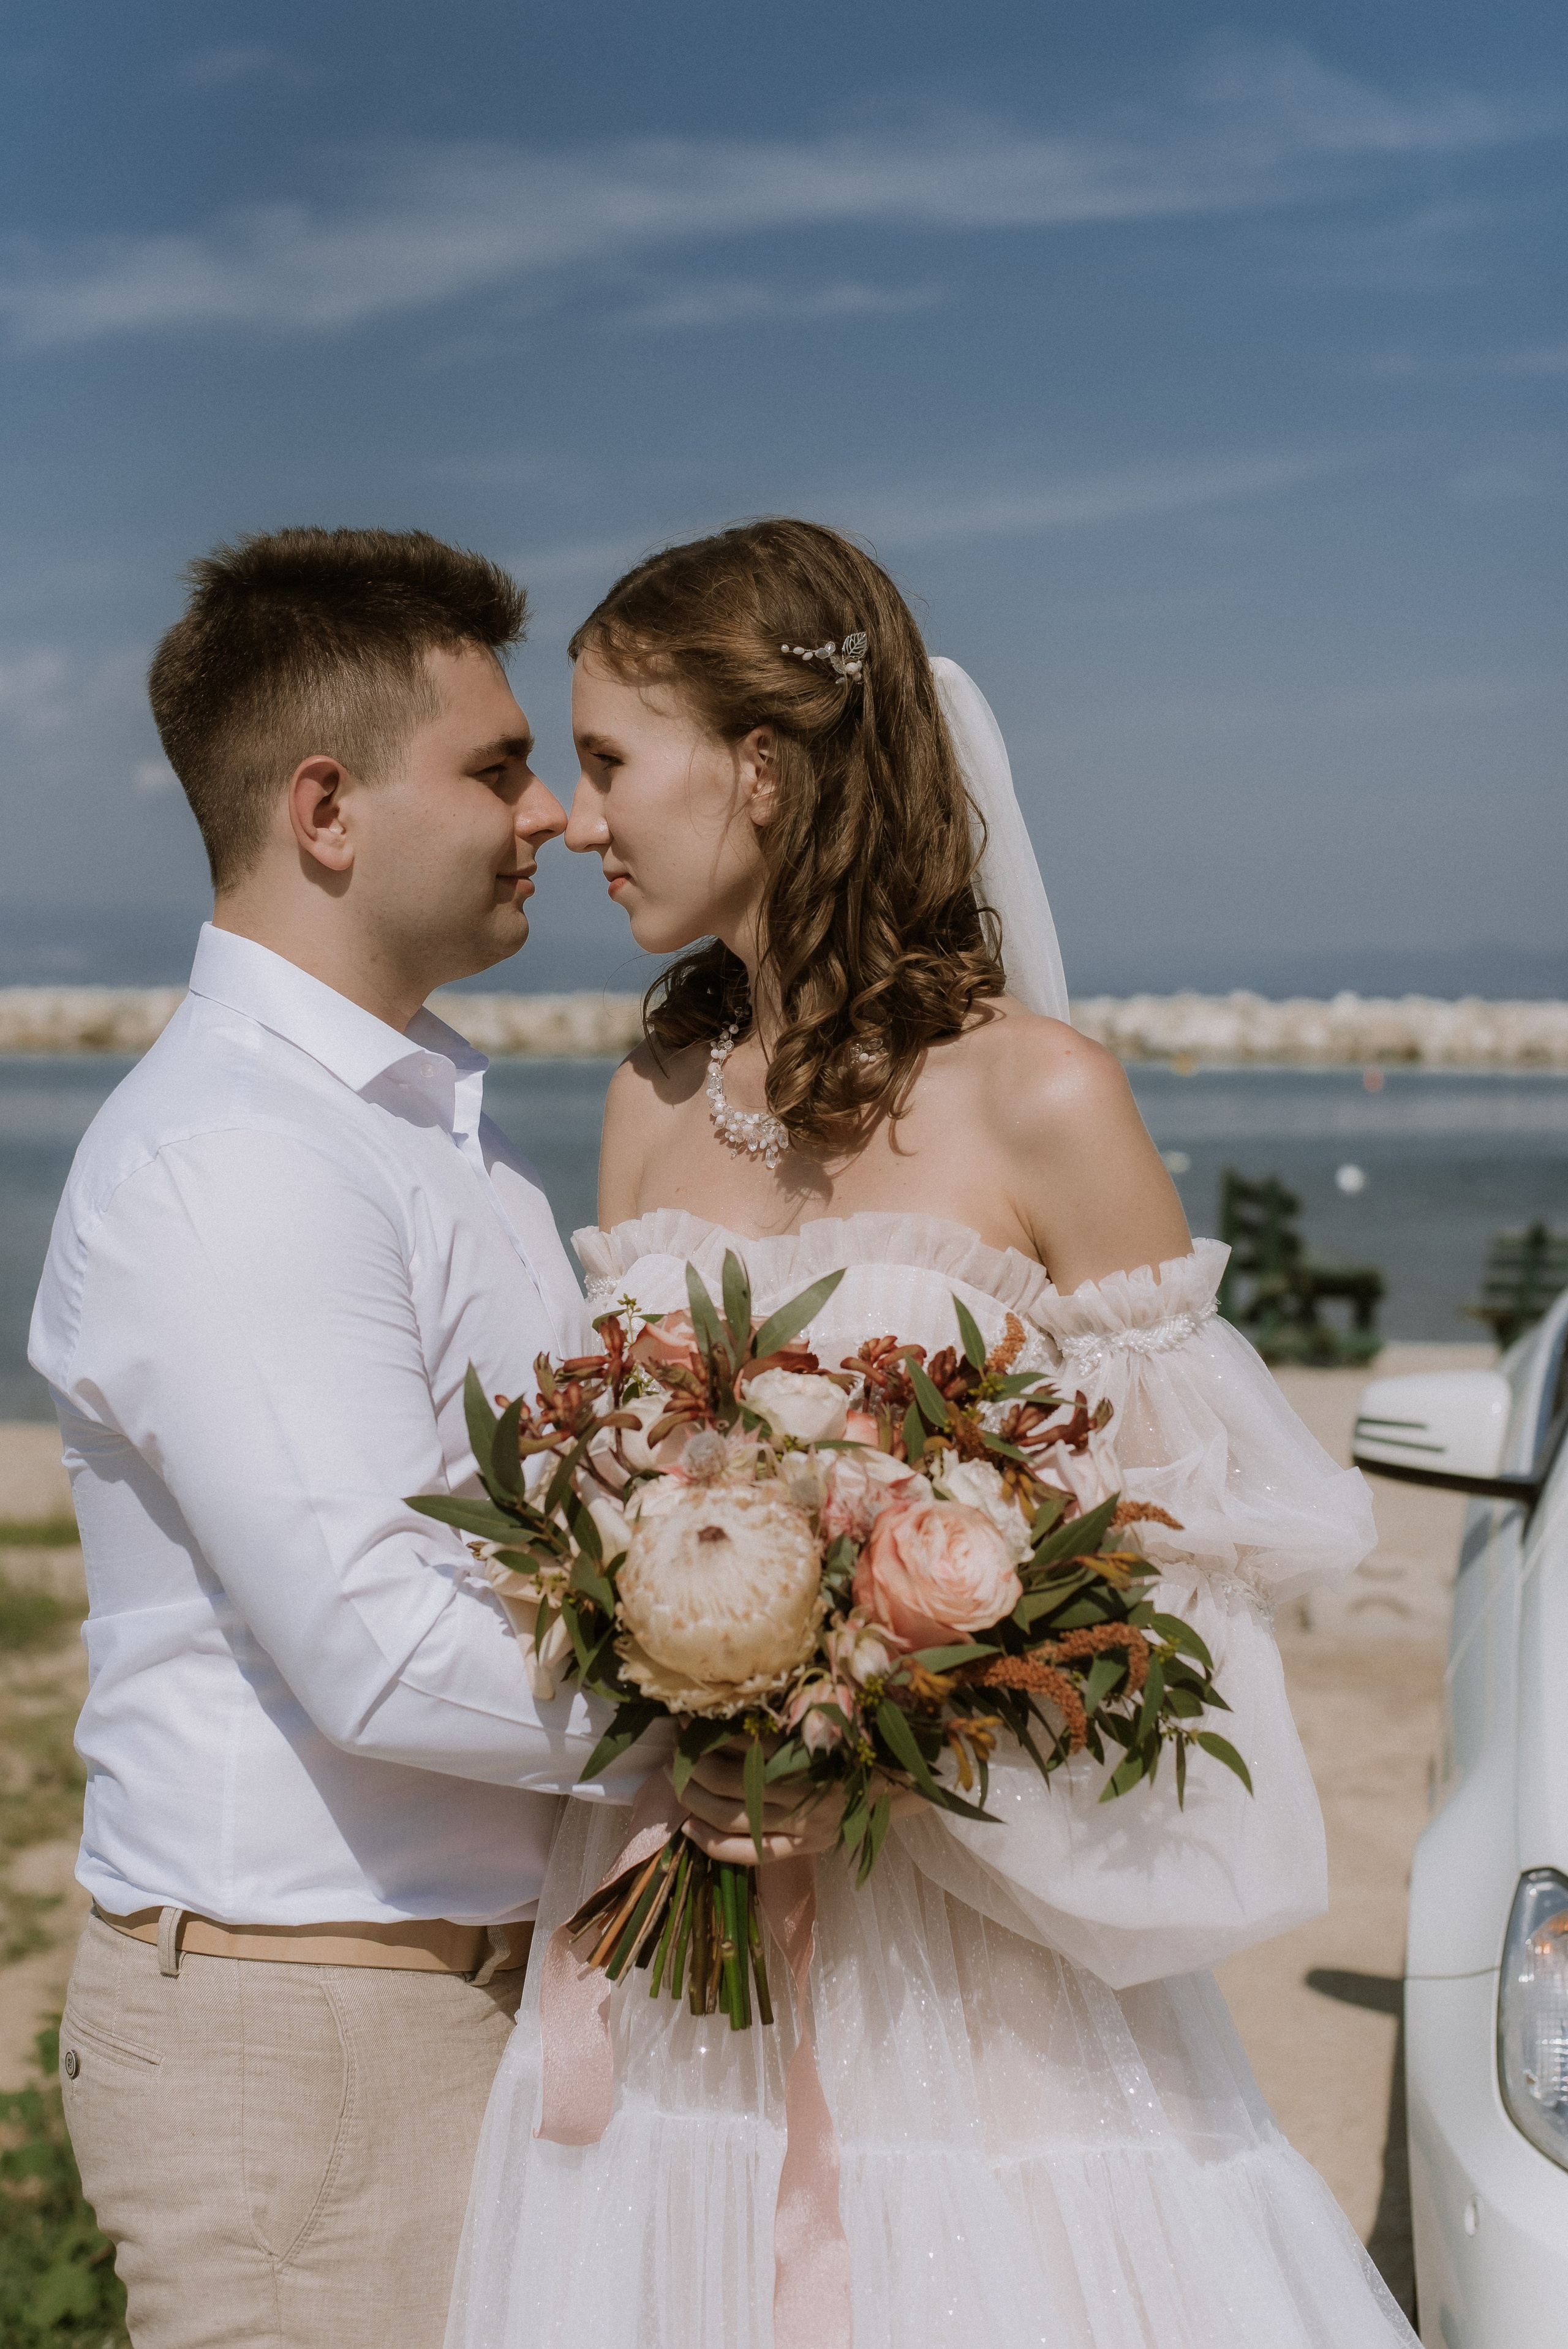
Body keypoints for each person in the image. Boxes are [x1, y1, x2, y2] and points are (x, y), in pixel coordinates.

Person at [445, 519, 1420, 2347]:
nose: (578, 821)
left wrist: (883, 1740)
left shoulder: (1045, 1098)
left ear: (758, 764)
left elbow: (1183, 1582)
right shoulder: (651, 1102)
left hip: (970, 1956)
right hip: (676, 1947)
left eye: (605, 761)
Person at [29, 527, 642, 2349]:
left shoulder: (428, 1120)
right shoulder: (240, 1158)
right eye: (497, 766)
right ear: (326, 807)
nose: (555, 815)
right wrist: (763, 1729)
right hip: (307, 2035)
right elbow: (379, 1644)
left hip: (463, 1994)